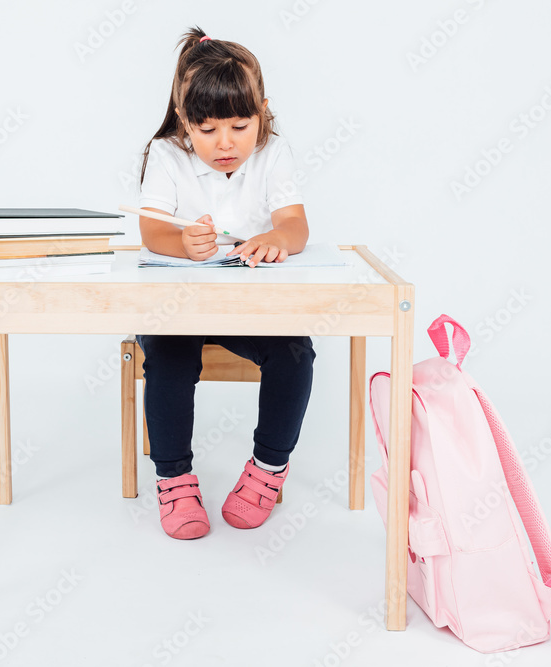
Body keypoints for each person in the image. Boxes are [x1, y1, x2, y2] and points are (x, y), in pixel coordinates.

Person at [136, 26, 316, 540]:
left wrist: (277, 238)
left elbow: (297, 226)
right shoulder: (166, 155)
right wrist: (181, 244)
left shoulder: (273, 153)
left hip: (249, 308)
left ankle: (267, 471)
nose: (226, 143)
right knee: (168, 360)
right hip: (180, 306)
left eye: (240, 125)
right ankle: (174, 479)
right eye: (207, 129)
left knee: (295, 354)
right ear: (184, 121)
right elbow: (151, 230)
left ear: (262, 111)